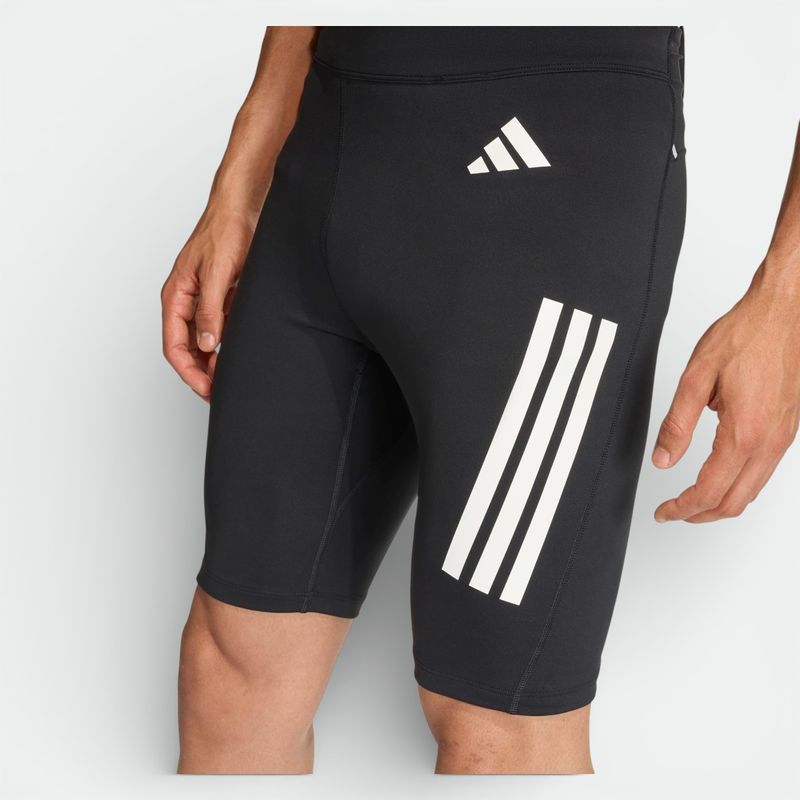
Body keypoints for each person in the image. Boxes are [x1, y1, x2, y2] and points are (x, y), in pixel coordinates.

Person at [161, 27, 800, 774]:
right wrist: (238, 184)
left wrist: (788, 302)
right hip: (330, 153)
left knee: (497, 727)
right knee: (228, 672)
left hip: (550, 191)